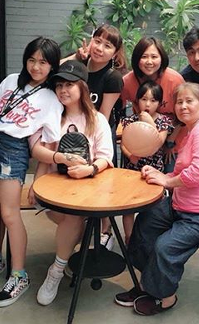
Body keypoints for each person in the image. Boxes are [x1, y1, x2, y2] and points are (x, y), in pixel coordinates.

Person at [114, 82, 199, 316]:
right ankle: (148, 283)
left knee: (165, 246)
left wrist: (167, 181)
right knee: (147, 222)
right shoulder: (192, 131)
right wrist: (159, 174)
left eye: (189, 101)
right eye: (179, 102)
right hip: (184, 206)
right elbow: (182, 170)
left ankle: (165, 297)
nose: (183, 106)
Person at [0, 37, 64, 307]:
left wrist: (39, 180)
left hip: (14, 151)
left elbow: (49, 143)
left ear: (52, 65)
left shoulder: (51, 98)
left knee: (10, 215)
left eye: (43, 62)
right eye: (32, 60)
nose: (36, 67)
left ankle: (19, 275)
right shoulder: (11, 80)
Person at [28, 59, 114, 306]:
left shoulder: (97, 119)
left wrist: (89, 169)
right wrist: (36, 183)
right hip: (55, 189)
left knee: (75, 218)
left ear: (82, 87)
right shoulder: (52, 117)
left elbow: (106, 157)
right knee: (74, 220)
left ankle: (57, 269)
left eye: (69, 85)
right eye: (59, 85)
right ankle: (68, 260)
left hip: (88, 190)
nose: (63, 90)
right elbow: (41, 154)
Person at [62, 24, 126, 250]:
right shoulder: (78, 66)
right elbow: (51, 70)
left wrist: (92, 143)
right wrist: (76, 56)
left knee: (102, 186)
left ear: (115, 53)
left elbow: (104, 116)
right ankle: (81, 225)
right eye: (97, 41)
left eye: (107, 46)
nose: (99, 48)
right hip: (72, 135)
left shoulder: (113, 77)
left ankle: (105, 231)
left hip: (98, 136)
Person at [121, 80, 173, 244]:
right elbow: (123, 143)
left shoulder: (163, 121)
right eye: (144, 99)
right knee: (128, 206)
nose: (148, 104)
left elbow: (158, 142)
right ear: (137, 100)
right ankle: (129, 239)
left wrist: (149, 122)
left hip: (154, 169)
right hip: (132, 169)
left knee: (153, 207)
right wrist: (130, 155)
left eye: (153, 100)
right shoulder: (129, 120)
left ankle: (148, 240)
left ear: (160, 103)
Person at [121, 37, 184, 171]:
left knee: (169, 175)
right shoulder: (127, 82)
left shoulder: (175, 80)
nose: (149, 62)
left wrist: (170, 143)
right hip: (140, 144)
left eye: (154, 56)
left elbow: (183, 118)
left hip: (173, 141)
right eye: (144, 57)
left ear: (162, 58)